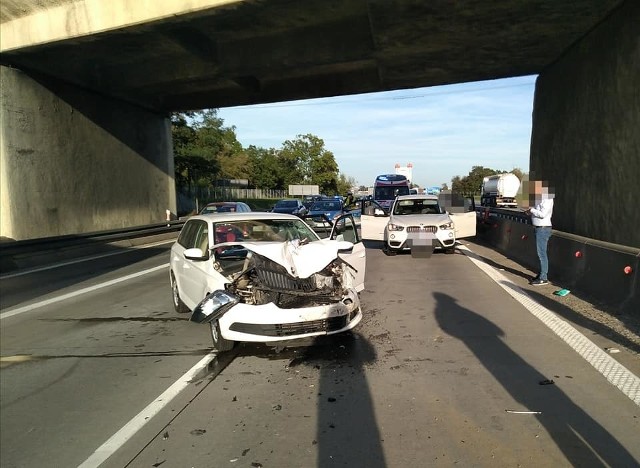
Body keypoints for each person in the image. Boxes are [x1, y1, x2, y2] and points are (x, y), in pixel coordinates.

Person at [524, 180, 554, 286]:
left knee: (542, 254)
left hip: (543, 228)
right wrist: (528, 211)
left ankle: (543, 277)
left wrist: (531, 210)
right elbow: (535, 212)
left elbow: (543, 214)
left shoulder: (547, 199)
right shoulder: (539, 199)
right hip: (537, 228)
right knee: (539, 253)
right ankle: (541, 274)